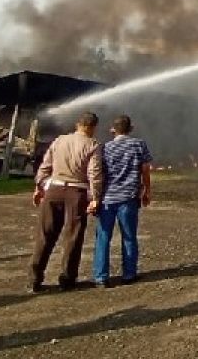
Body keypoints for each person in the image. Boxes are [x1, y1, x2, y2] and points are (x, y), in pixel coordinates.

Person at [30, 111, 104, 292]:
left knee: (45, 235)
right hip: (76, 192)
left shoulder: (59, 140)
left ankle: (34, 280)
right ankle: (67, 279)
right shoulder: (92, 144)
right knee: (73, 236)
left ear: (77, 124)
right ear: (92, 127)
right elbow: (94, 174)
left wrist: (39, 187)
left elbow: (45, 166)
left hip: (53, 190)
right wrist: (95, 198)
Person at [93, 115, 153, 287]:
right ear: (131, 128)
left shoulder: (105, 148)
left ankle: (100, 277)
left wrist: (95, 197)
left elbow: (99, 173)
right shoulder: (138, 144)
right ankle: (129, 274)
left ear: (113, 130)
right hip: (128, 198)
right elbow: (145, 170)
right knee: (129, 237)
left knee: (103, 237)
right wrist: (147, 191)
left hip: (107, 199)